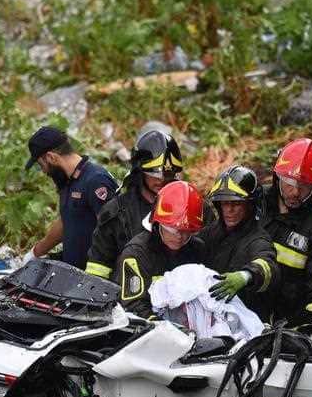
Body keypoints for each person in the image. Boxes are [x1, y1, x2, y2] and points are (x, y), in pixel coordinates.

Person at [258, 138, 312, 327]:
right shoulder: (255, 204)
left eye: (304, 187)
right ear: (277, 177)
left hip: (290, 323)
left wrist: (309, 328)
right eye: (289, 182)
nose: (295, 192)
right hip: (246, 312)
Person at [85, 130, 183, 280]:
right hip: (128, 298)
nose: (162, 180)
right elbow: (98, 268)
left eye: (168, 175)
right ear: (139, 172)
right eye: (154, 174)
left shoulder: (189, 207)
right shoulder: (116, 212)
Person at [23, 126, 117, 270]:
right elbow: (67, 220)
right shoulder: (68, 181)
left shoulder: (96, 181)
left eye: (42, 165)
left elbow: (112, 232)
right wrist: (36, 252)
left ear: (51, 157)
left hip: (94, 277)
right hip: (72, 272)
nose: (44, 172)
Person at [113, 180, 205, 319]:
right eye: (173, 230)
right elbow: (133, 305)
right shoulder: (136, 254)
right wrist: (164, 328)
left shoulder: (197, 249)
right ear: (158, 223)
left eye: (187, 231)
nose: (180, 236)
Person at [200, 165, 278, 310]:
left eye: (236, 203)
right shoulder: (210, 233)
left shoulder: (258, 239)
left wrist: (246, 276)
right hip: (210, 314)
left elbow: (268, 267)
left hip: (247, 321)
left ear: (250, 206)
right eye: (225, 203)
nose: (229, 210)